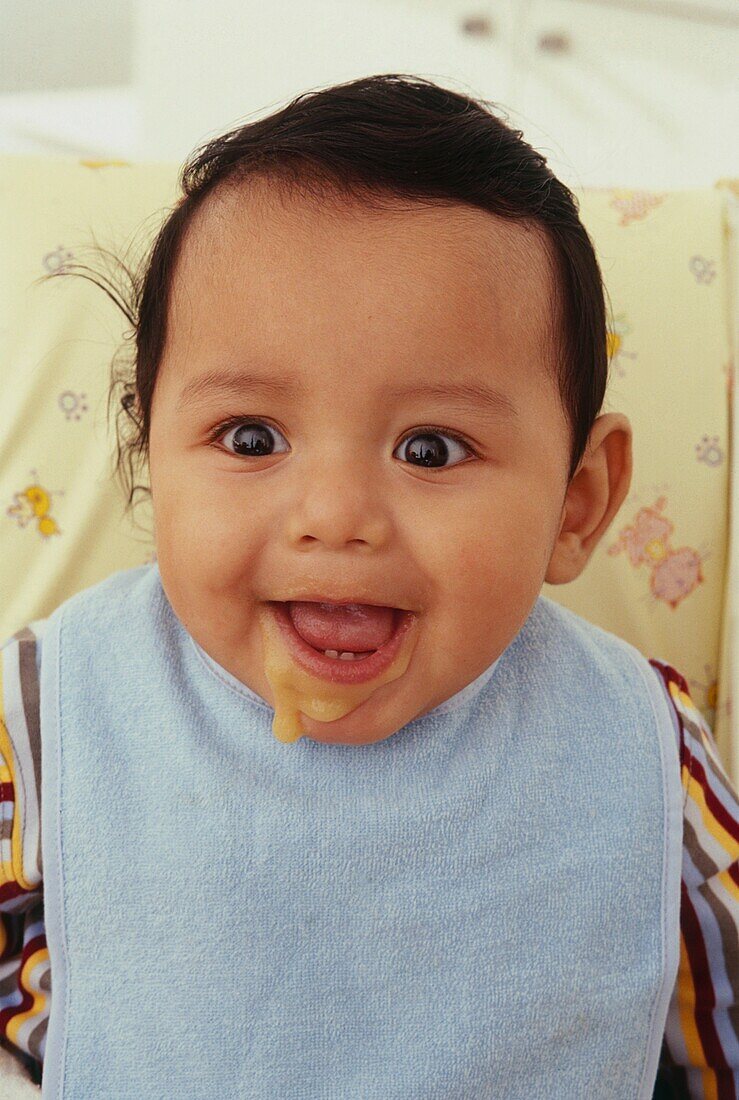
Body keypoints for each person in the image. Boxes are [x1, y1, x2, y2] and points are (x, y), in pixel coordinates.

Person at [0, 73, 736, 1099]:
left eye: (430, 448)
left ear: (576, 503)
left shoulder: (643, 750)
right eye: (251, 438)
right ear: (149, 453)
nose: (335, 514)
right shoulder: (52, 711)